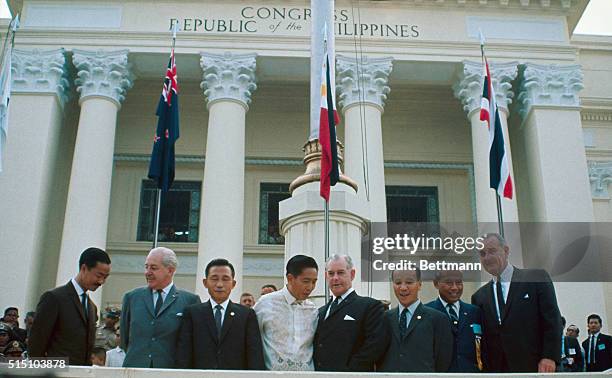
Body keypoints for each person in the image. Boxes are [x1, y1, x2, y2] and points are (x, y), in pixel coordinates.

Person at [471, 233, 562, 373]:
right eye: (482, 254)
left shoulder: (536, 278)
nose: (487, 258)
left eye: (492, 251)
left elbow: (552, 320)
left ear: (506, 251)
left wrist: (549, 356)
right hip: (497, 371)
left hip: (536, 368)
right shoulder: (479, 297)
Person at [176, 259, 264, 369]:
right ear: (205, 282)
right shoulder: (192, 313)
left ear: (233, 284)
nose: (219, 284)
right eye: (214, 279)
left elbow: (254, 354)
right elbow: (184, 353)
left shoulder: (246, 315)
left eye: (225, 279)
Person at [29, 247, 111, 365]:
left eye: (105, 277)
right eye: (99, 275)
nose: (101, 281)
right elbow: (36, 345)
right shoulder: (54, 298)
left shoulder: (92, 307)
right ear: (84, 268)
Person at [121, 247, 200, 368]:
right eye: (146, 267)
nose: (148, 272)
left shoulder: (189, 301)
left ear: (170, 270)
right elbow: (124, 339)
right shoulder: (131, 298)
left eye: (153, 268)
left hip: (170, 371)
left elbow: (190, 343)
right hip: (135, 370)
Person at [313, 254, 386, 371]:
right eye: (331, 273)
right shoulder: (320, 312)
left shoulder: (369, 306)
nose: (335, 278)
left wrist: (349, 371)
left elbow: (375, 346)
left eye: (340, 273)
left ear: (352, 274)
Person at [379, 268, 453, 372]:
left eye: (409, 282)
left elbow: (443, 361)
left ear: (419, 284)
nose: (403, 288)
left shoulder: (438, 319)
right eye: (398, 282)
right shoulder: (384, 318)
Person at [254, 254, 319, 370]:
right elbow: (252, 341)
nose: (310, 287)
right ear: (290, 278)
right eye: (306, 281)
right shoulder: (265, 304)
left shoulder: (313, 310)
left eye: (314, 282)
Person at [425, 270, 482, 372]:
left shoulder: (474, 312)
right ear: (436, 284)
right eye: (449, 283)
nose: (455, 287)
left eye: (459, 283)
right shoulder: (426, 312)